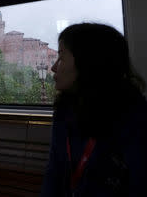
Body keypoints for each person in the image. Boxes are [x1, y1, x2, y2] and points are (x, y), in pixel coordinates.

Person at [40, 23, 147, 197]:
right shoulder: (64, 111)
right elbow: (54, 172)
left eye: (61, 58)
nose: (53, 67)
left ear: (87, 62)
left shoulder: (133, 117)